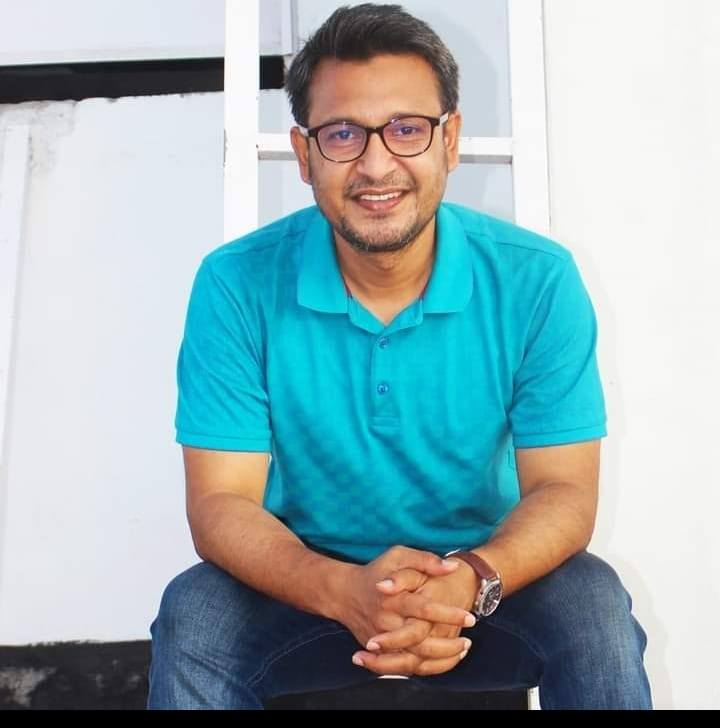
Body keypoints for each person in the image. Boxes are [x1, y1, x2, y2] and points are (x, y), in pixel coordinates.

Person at [148, 3, 652, 710]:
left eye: (407, 129)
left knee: (593, 606)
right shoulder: (236, 283)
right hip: (308, 585)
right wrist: (343, 590)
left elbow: (564, 492)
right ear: (304, 155)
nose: (376, 164)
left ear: (450, 140)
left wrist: (469, 579)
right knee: (196, 613)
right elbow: (219, 503)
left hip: (481, 585)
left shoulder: (536, 279)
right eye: (343, 134)